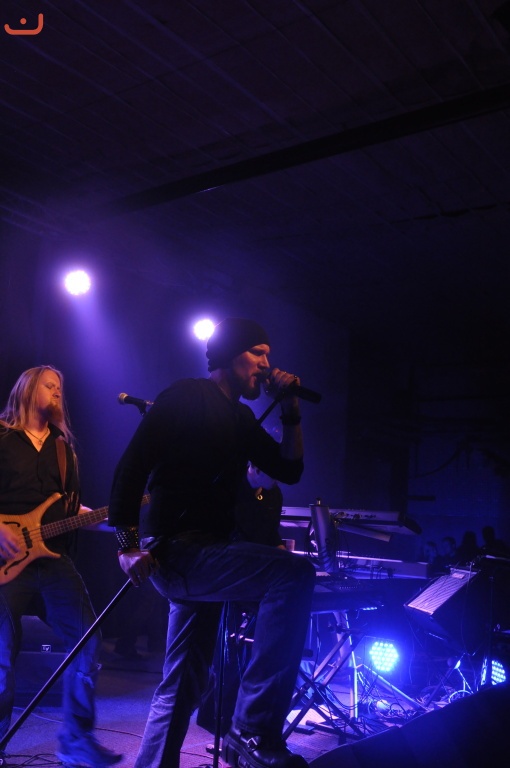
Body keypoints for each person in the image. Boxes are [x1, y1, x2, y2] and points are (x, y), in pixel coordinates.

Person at [108, 317, 317, 768]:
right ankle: (254, 727)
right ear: (229, 353)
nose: (267, 364)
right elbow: (130, 468)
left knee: (184, 679)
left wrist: (290, 408)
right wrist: (126, 545)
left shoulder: (241, 418)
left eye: (269, 355)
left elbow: (289, 469)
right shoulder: (186, 396)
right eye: (258, 353)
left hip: (209, 556)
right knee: (293, 573)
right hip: (177, 550)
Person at [0, 366, 122, 768]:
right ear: (27, 388)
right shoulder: (2, 436)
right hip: (4, 562)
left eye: (60, 387)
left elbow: (69, 508)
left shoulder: (62, 449)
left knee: (88, 640)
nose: (57, 391)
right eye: (49, 385)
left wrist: (109, 518)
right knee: (1, 653)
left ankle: (75, 741)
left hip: (52, 560)